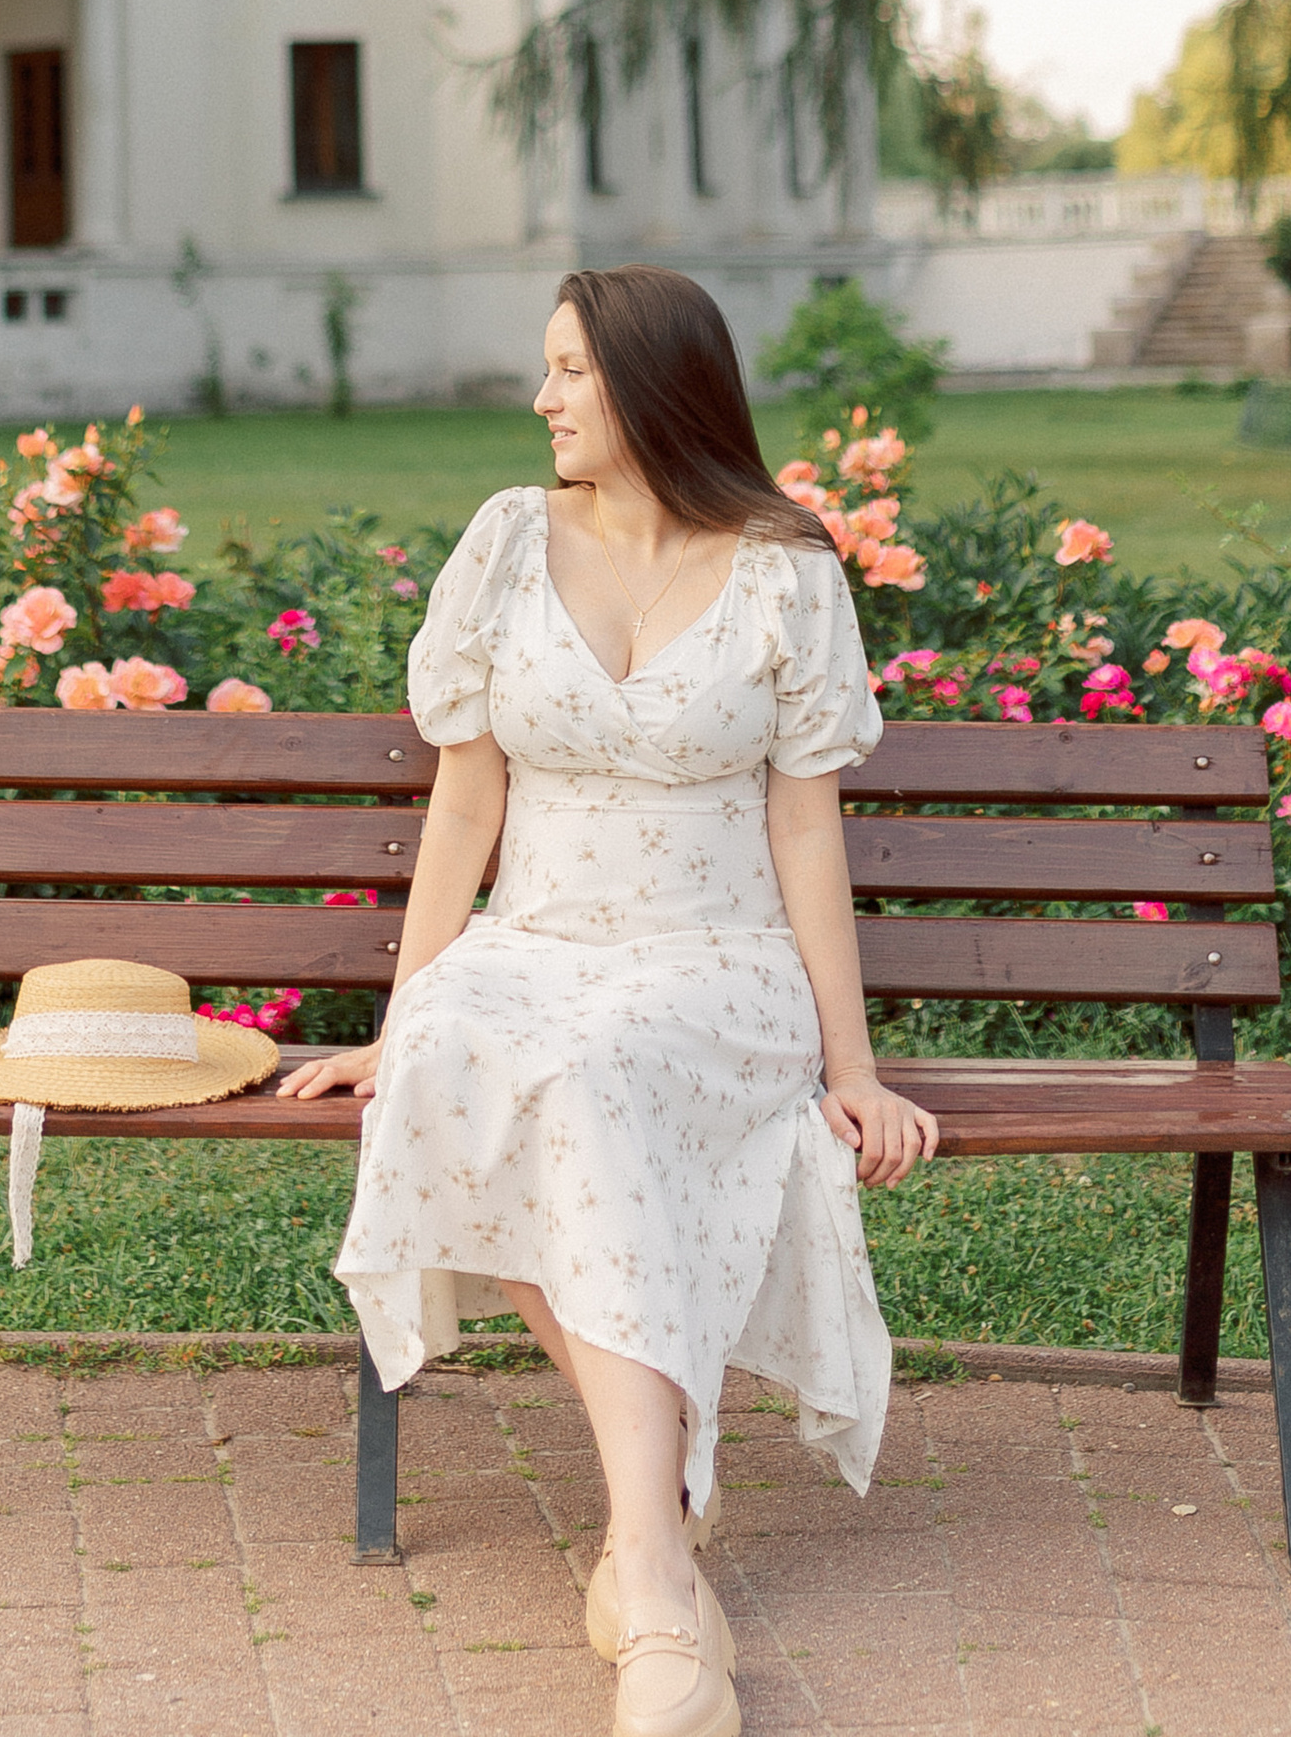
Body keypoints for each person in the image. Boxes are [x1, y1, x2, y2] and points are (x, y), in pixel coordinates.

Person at [282, 263, 937, 1737]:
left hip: (711, 966)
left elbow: (804, 830)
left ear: (652, 385)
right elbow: (464, 811)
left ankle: (645, 1575)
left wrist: (854, 1062)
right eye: (549, 369)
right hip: (534, 946)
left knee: (587, 1070)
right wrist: (401, 1025)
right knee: (469, 1060)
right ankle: (661, 1559)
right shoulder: (509, 543)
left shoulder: (784, 568)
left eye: (571, 370)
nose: (543, 399)